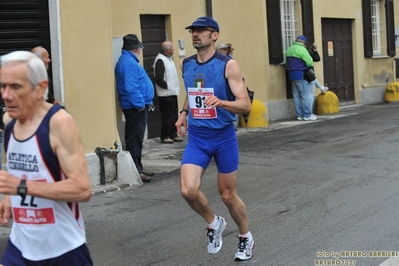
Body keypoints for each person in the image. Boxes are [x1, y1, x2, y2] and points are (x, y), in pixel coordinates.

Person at [0, 51, 93, 265]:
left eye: (15, 87)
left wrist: (21, 187)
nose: (6, 95)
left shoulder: (59, 123)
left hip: (62, 250)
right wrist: (10, 197)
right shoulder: (10, 124)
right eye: (3, 86)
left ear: (40, 88)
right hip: (20, 247)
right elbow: (24, 173)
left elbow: (82, 189)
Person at [175, 16, 254, 261]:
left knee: (228, 195)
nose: (195, 34)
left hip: (223, 137)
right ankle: (214, 223)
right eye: (193, 31)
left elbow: (246, 105)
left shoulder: (227, 65)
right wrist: (184, 113)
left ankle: (245, 237)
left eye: (201, 30)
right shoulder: (186, 64)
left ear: (214, 35)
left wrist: (222, 102)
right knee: (188, 190)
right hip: (198, 137)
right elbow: (193, 91)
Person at [115, 34, 155, 182]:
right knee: (134, 139)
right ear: (136, 48)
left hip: (134, 105)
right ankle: (136, 170)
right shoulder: (130, 62)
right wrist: (139, 106)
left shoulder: (128, 60)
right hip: (134, 107)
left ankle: (138, 166)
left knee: (136, 138)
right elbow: (131, 87)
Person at [152, 41, 184, 144]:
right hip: (165, 93)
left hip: (172, 92)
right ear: (168, 49)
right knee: (167, 116)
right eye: (172, 47)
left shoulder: (168, 59)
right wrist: (167, 86)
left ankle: (173, 134)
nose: (174, 49)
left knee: (174, 115)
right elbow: (159, 78)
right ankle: (165, 135)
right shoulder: (160, 60)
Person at [286, 35, 316, 121]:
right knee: (306, 95)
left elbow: (286, 62)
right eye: (305, 44)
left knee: (296, 96)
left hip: (292, 75)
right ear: (303, 42)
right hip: (301, 74)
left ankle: (299, 115)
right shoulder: (302, 49)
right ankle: (307, 115)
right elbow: (310, 62)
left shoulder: (289, 49)